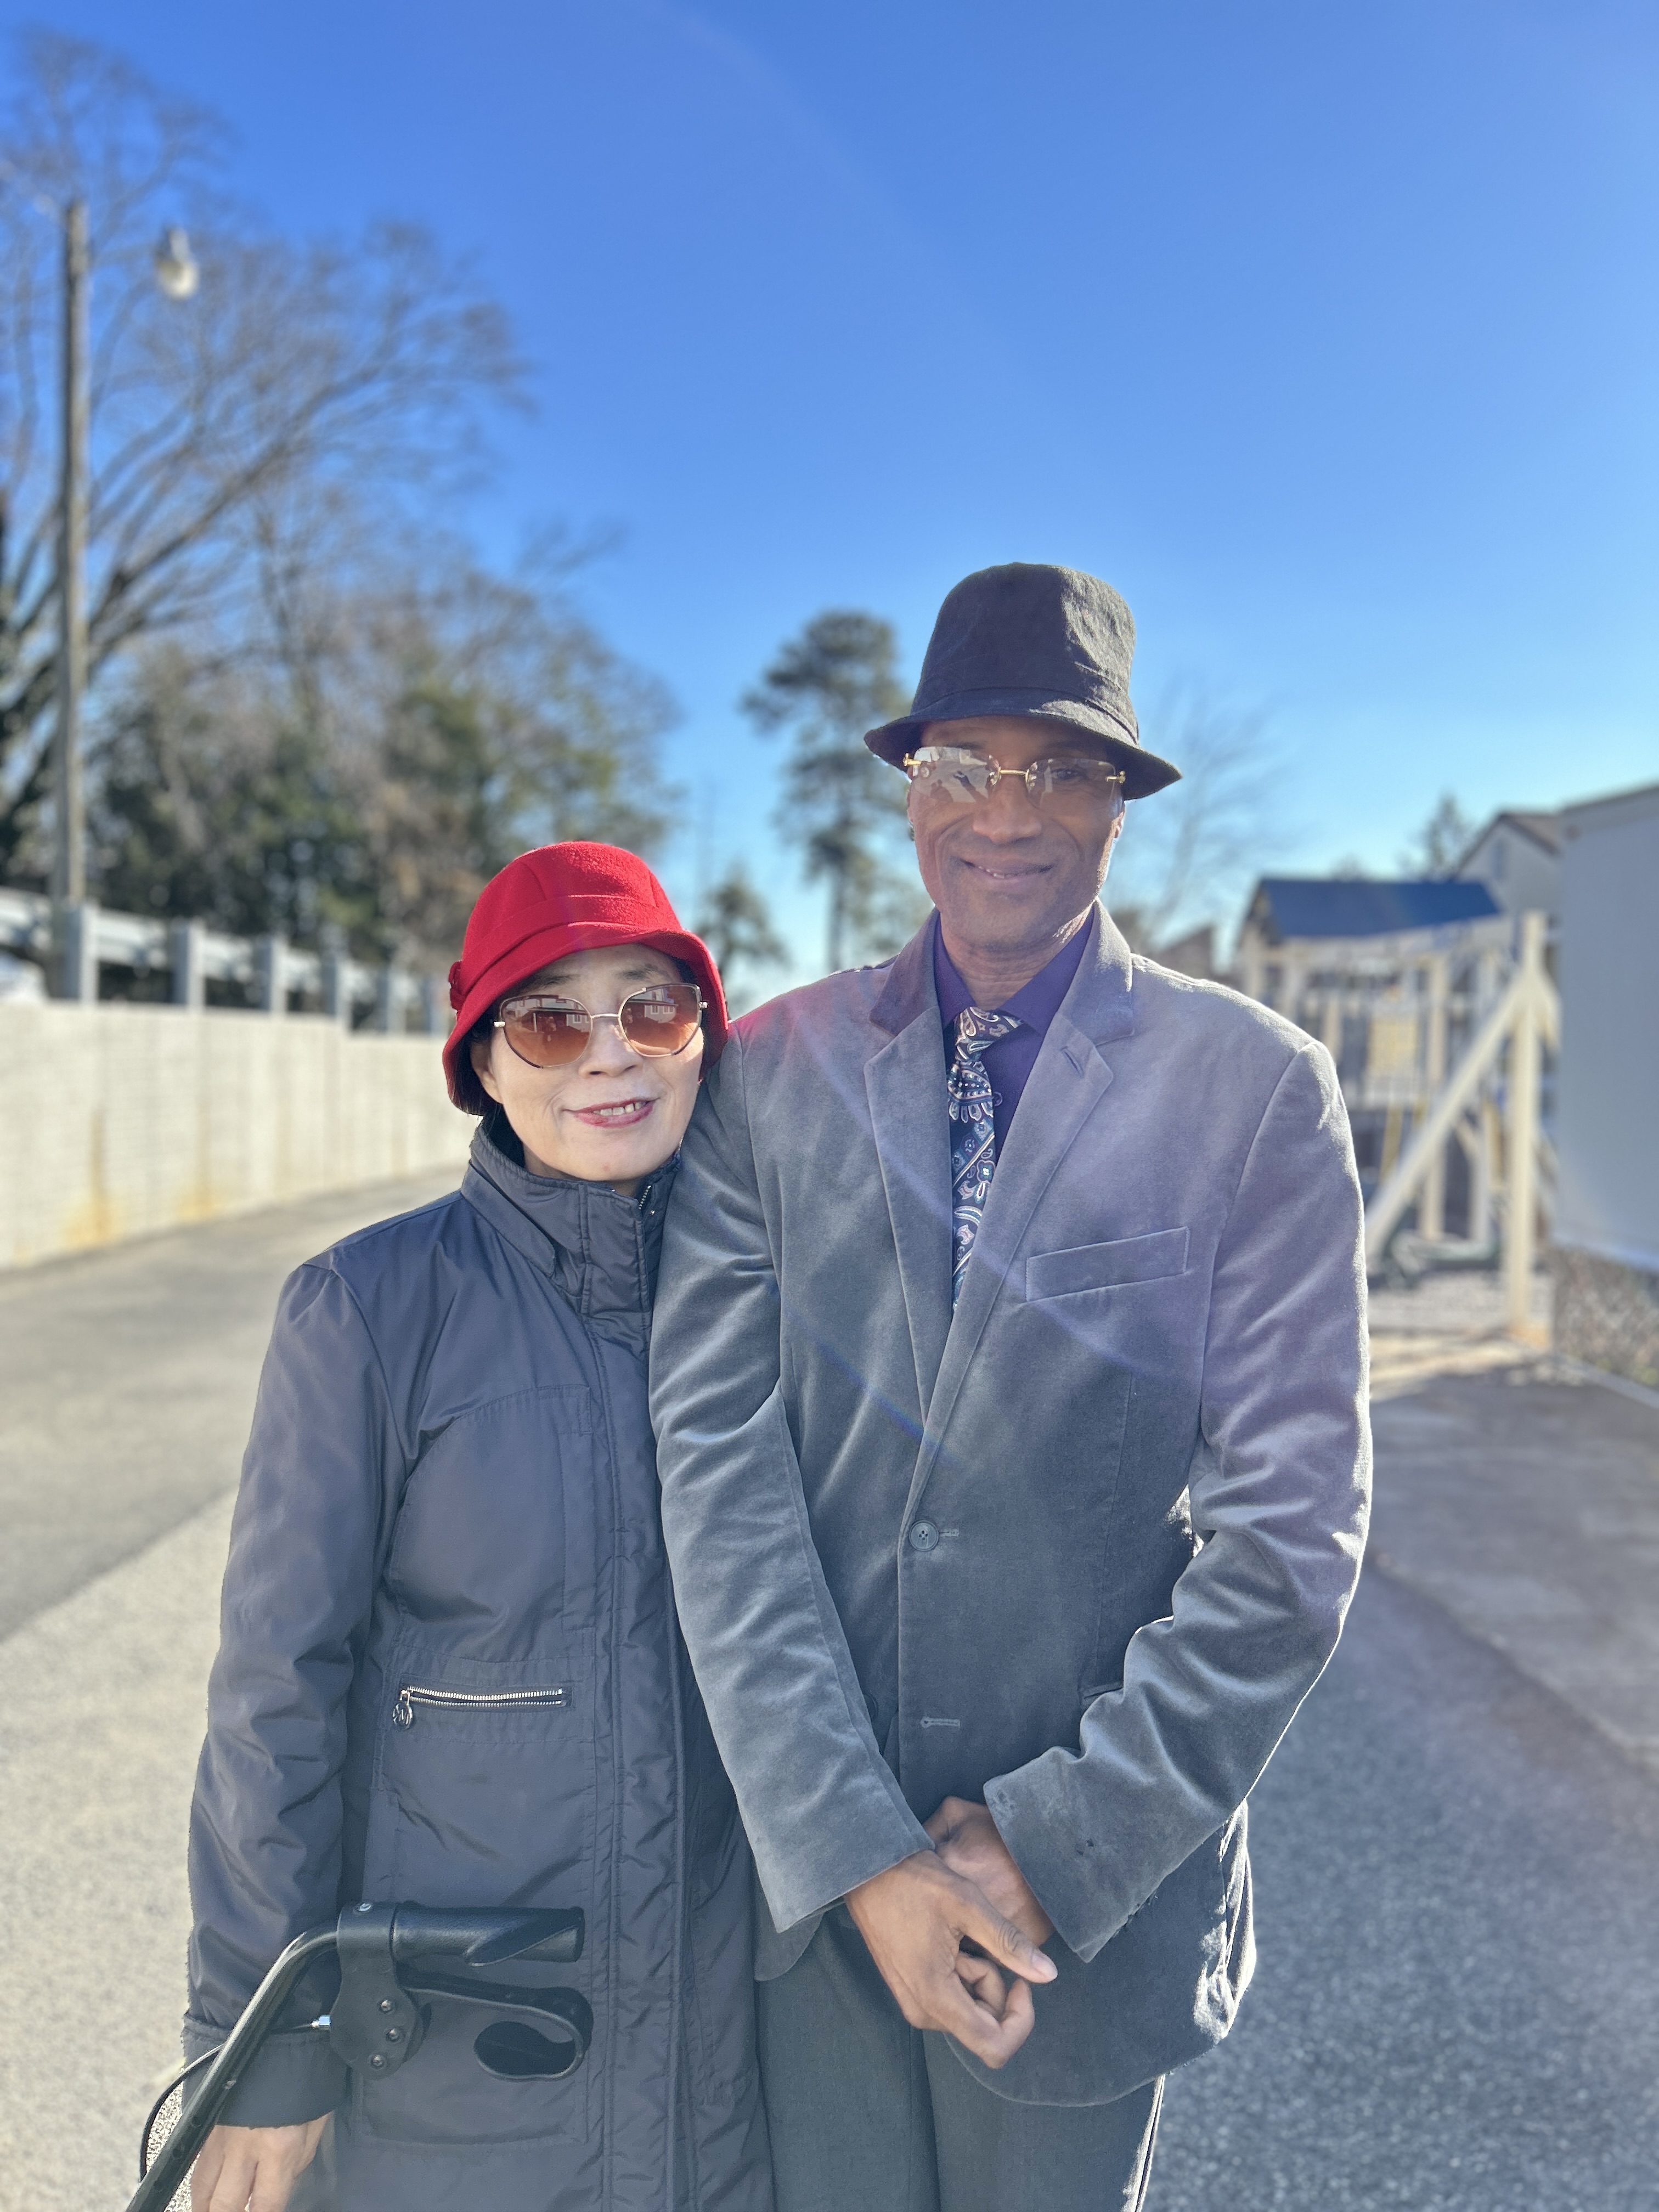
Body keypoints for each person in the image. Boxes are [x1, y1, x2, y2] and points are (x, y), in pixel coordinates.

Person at [650, 564, 1370, 2212]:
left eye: (1063, 768)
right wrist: (859, 1853)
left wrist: (1047, 1848)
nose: (1008, 811)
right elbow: (718, 1467)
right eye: (963, 764)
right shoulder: (769, 1075)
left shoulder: (1256, 1093)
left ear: (1121, 801)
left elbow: (1289, 1542)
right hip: (818, 1910)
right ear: (911, 792)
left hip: (1079, 1929)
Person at [183, 842, 772, 2212]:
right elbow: (276, 1694)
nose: (610, 1054)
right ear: (484, 1066)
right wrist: (264, 2050)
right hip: (455, 2069)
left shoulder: (776, 1294)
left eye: (653, 1009)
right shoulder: (367, 1311)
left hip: (725, 2078)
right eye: (552, 1021)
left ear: (703, 1037)